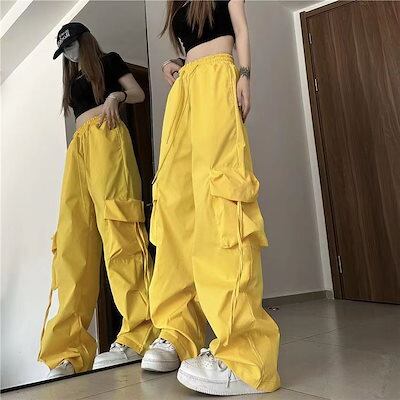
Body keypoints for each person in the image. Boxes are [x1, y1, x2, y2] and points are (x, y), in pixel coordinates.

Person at [141, 0, 280, 396]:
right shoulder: (177, 4)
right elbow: (194, 44)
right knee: (175, 203)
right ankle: (178, 331)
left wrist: (245, 74)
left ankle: (245, 355)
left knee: (223, 198)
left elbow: (241, 30)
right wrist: (177, 63)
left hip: (220, 77)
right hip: (186, 88)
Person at [37, 22, 158, 379]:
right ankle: (69, 351)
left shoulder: (110, 61)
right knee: (72, 241)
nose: (70, 54)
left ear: (85, 41)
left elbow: (137, 93)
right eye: (65, 51)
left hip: (108, 139)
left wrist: (115, 96)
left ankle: (140, 333)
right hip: (79, 150)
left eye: (72, 46)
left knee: (120, 231)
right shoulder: (72, 78)